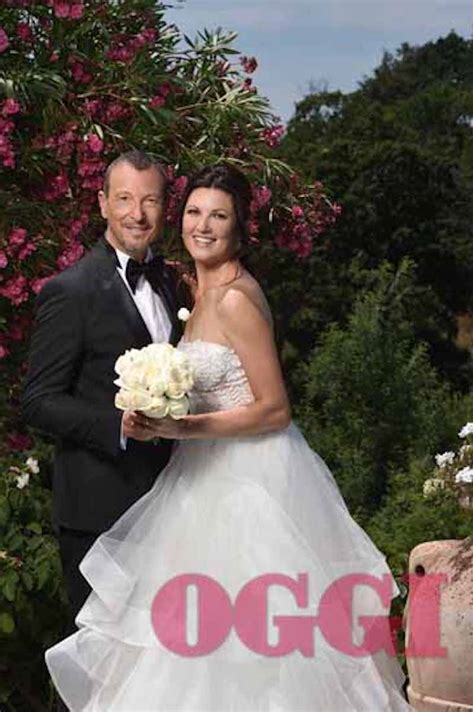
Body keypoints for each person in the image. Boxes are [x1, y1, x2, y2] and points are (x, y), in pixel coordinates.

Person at [44, 164, 411, 711]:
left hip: (249, 485)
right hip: (197, 477)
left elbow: (274, 409)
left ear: (240, 230)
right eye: (194, 212)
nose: (203, 226)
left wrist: (181, 425)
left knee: (244, 645)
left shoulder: (237, 298)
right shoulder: (193, 290)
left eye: (219, 216)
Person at [21, 150, 182, 628]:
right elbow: (38, 401)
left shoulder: (173, 282)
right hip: (99, 513)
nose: (138, 213)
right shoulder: (70, 290)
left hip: (173, 507)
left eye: (150, 200)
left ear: (164, 207)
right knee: (102, 668)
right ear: (102, 203)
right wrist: (119, 425)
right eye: (126, 199)